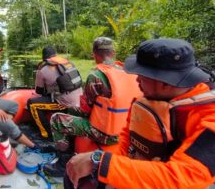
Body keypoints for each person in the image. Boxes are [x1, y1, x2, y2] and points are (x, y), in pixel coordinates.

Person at [65, 38, 215, 189]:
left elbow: (184, 177)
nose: (137, 80)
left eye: (142, 77)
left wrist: (101, 162)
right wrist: (102, 167)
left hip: (168, 182)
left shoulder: (210, 118)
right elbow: (125, 141)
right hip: (141, 173)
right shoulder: (146, 101)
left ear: (165, 82)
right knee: (76, 179)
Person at [43, 37, 141, 177]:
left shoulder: (96, 76)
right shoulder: (128, 71)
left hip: (106, 134)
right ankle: (67, 144)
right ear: (113, 53)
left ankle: (62, 163)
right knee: (70, 110)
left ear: (94, 54)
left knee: (57, 119)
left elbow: (86, 109)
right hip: (126, 131)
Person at [0, 40, 53, 151]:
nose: (0, 55)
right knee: (11, 126)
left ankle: (6, 126)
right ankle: (34, 146)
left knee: (14, 106)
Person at [27, 46, 83, 139]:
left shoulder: (42, 69)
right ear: (56, 55)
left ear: (44, 58)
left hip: (66, 104)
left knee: (32, 104)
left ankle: (46, 134)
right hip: (79, 100)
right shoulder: (69, 63)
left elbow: (39, 91)